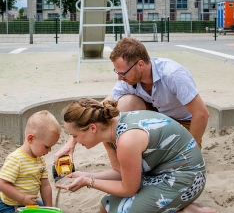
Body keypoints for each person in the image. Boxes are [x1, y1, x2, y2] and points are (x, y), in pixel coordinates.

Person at [56, 98, 218, 213]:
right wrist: (86, 175)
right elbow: (119, 172)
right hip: (157, 173)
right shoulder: (109, 132)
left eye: (75, 136)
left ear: (92, 128)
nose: (75, 141)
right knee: (105, 208)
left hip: (186, 177)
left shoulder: (127, 140)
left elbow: (129, 189)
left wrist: (88, 182)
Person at [54, 38, 209, 163]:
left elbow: (201, 114)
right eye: (117, 72)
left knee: (176, 160)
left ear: (140, 64)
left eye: (123, 73)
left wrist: (189, 149)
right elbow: (99, 110)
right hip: (159, 117)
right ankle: (128, 157)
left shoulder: (173, 74)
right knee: (124, 104)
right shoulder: (128, 80)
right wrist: (71, 143)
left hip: (184, 122)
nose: (119, 78)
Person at [0, 111, 61, 213]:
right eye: (47, 146)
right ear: (31, 138)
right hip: (10, 205)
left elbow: (45, 185)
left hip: (26, 203)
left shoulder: (40, 160)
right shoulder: (16, 159)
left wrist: (49, 209)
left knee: (44, 211)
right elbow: (3, 184)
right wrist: (22, 199)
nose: (49, 150)